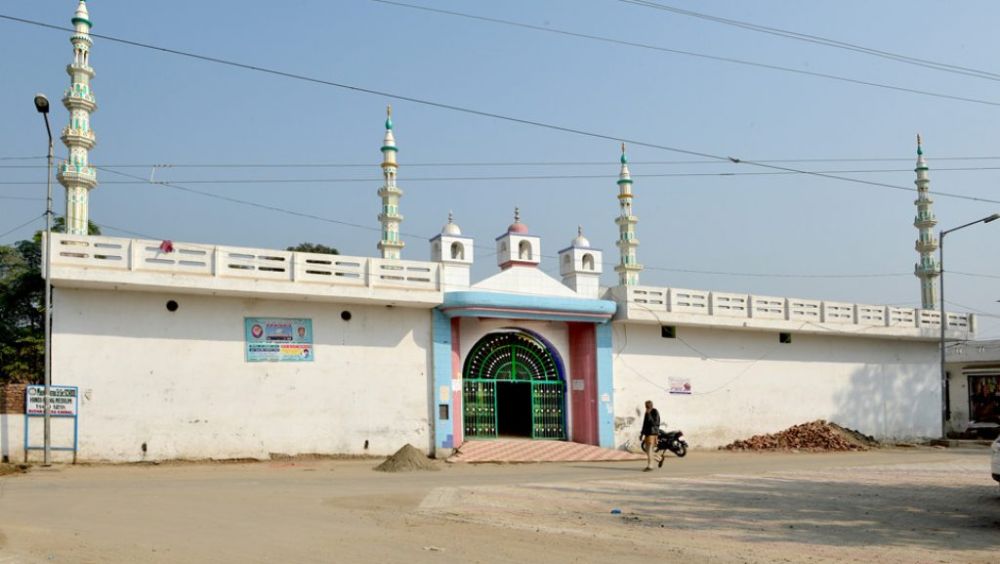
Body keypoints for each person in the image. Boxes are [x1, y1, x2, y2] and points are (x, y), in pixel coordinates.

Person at [640, 400, 661, 471]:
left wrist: (649, 414)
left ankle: (650, 466)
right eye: (646, 405)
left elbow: (655, 423)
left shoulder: (655, 412)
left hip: (652, 433)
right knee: (647, 449)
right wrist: (642, 434)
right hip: (647, 433)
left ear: (651, 405)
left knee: (649, 450)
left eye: (648, 405)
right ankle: (659, 458)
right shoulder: (647, 412)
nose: (646, 407)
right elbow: (644, 424)